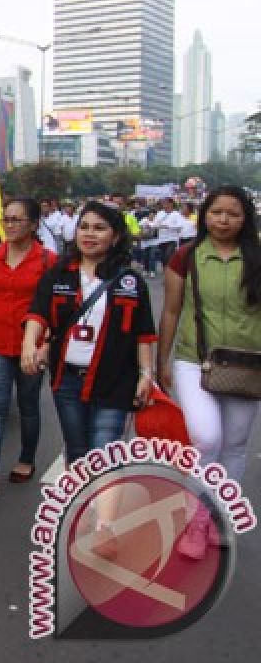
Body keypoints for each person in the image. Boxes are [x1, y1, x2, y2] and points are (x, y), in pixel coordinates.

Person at [156, 186, 261, 560]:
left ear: (245, 218)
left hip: (249, 366)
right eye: (216, 212)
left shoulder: (257, 257)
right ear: (205, 215)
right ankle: (196, 523)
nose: (224, 220)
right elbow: (170, 311)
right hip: (193, 360)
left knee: (234, 446)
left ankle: (215, 517)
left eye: (233, 213)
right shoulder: (185, 257)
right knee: (205, 438)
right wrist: (161, 361)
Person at [22, 201, 157, 464]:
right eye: (84, 227)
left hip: (116, 381)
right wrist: (30, 344)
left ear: (115, 236)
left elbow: (143, 334)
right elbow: (38, 313)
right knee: (77, 455)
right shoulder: (59, 274)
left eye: (99, 228)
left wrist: (146, 374)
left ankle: (102, 505)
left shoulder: (129, 280)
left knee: (104, 458)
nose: (89, 234)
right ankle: (84, 506)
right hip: (68, 381)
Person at [0, 198, 57, 494]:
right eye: (6, 219)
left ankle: (26, 459)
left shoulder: (48, 260)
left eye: (17, 220)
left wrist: (48, 344)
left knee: (28, 406)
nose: (10, 225)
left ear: (33, 224)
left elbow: (56, 306)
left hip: (31, 345)